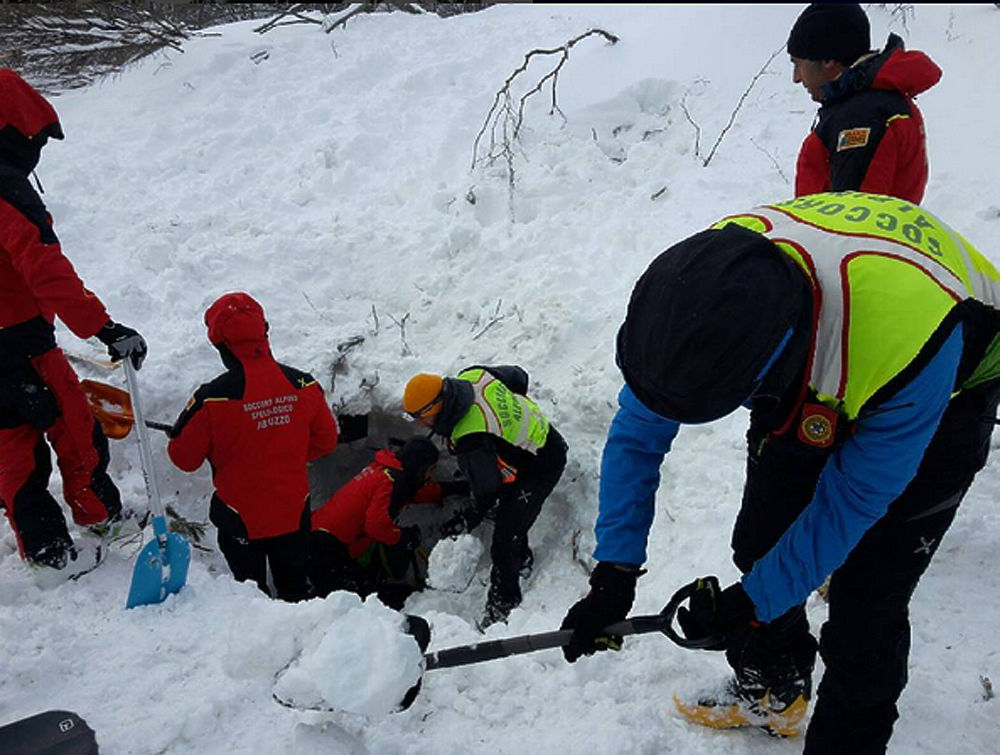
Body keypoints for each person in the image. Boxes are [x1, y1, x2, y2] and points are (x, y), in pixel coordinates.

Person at [560, 191, 1000, 753]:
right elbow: (638, 434)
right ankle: (776, 688)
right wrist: (614, 572)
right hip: (829, 332)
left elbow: (854, 500)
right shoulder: (705, 286)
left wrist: (752, 604)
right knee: (761, 541)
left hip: (947, 371)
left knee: (868, 603)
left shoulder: (906, 343)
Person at [0, 68, 147, 572]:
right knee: (74, 427)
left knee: (12, 447)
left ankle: (46, 556)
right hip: (20, 341)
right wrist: (103, 328)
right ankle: (100, 515)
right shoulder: (6, 189)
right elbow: (45, 267)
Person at [167, 292, 338, 602]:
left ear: (219, 344)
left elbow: (184, 459)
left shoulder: (213, 398)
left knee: (249, 597)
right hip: (293, 512)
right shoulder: (304, 384)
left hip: (239, 519)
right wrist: (290, 454)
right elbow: (326, 441)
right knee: (296, 592)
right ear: (265, 331)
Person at [403, 366, 567, 628]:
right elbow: (518, 376)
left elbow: (487, 490)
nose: (419, 424)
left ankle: (503, 606)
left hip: (542, 464)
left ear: (434, 408)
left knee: (503, 540)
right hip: (540, 437)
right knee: (510, 510)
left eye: (419, 418)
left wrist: (469, 517)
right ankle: (522, 559)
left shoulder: (471, 437)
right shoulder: (473, 376)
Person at [788, 3, 941, 203]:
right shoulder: (869, 104)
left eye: (798, 65)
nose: (796, 78)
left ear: (827, 60)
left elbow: (853, 221)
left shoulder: (861, 119)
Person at [311, 436, 469, 607]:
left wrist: (454, 488)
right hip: (325, 547)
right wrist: (402, 537)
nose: (430, 475)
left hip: (326, 539)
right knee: (351, 603)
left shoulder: (389, 473)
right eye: (430, 470)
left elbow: (415, 493)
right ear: (419, 467)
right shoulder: (388, 481)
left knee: (361, 592)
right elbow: (376, 525)